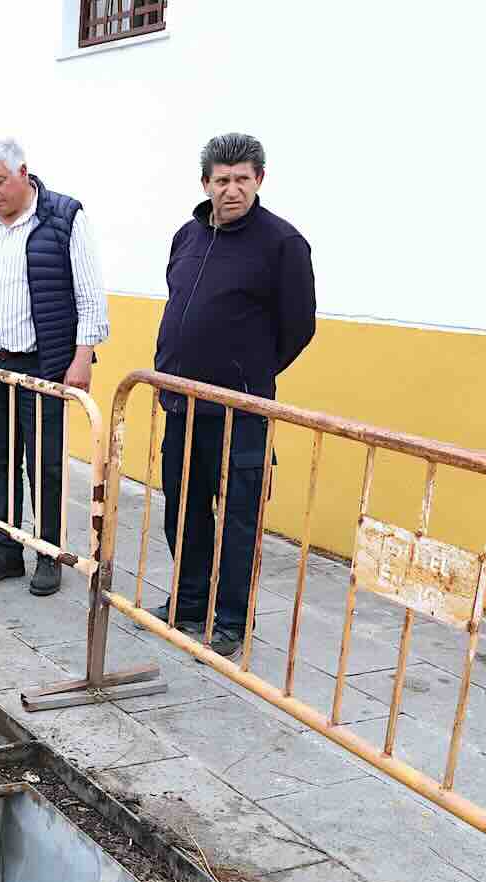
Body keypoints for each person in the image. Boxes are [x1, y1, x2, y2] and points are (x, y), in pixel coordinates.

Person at [152, 133, 316, 656]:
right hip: (182, 404)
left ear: (259, 181)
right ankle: (190, 601)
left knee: (239, 516)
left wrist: (250, 374)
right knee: (184, 509)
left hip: (239, 412)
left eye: (243, 179)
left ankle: (231, 620)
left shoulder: (282, 244)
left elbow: (298, 327)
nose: (232, 189)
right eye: (222, 180)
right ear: (206, 183)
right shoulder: (187, 236)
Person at [0, 138, 108, 597]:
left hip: (42, 366)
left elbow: (89, 297)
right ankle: (5, 549)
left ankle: (49, 553)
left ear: (23, 172)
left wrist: (82, 359)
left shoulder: (64, 218)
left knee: (44, 465)